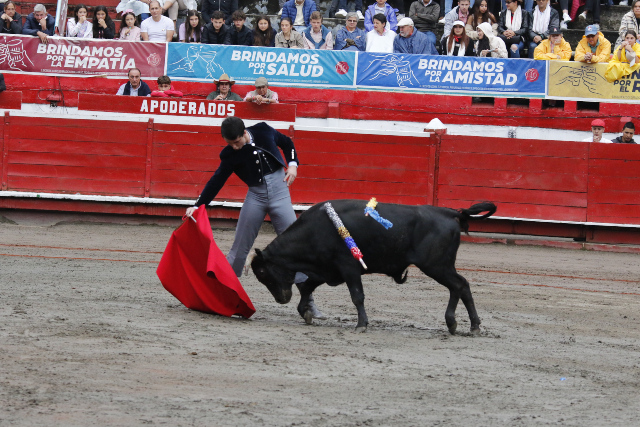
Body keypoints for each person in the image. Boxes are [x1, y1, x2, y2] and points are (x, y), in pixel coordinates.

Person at [184, 116, 325, 320]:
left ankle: (307, 304)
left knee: (296, 247)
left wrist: (293, 164)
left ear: (244, 133)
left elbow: (287, 143)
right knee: (239, 247)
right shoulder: (229, 154)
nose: (234, 147)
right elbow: (217, 181)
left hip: (280, 193)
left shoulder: (264, 130)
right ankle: (224, 297)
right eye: (229, 143)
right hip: (256, 197)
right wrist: (197, 205)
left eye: (236, 142)